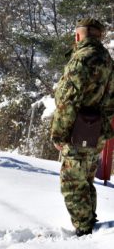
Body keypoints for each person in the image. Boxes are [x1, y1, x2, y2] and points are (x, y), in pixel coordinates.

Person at [51, 18, 114, 237]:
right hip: (97, 132)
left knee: (72, 183)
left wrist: (59, 134)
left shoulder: (81, 60)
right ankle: (89, 222)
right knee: (86, 179)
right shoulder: (107, 60)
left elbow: (68, 100)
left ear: (79, 35)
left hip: (78, 131)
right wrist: (103, 131)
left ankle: (85, 231)